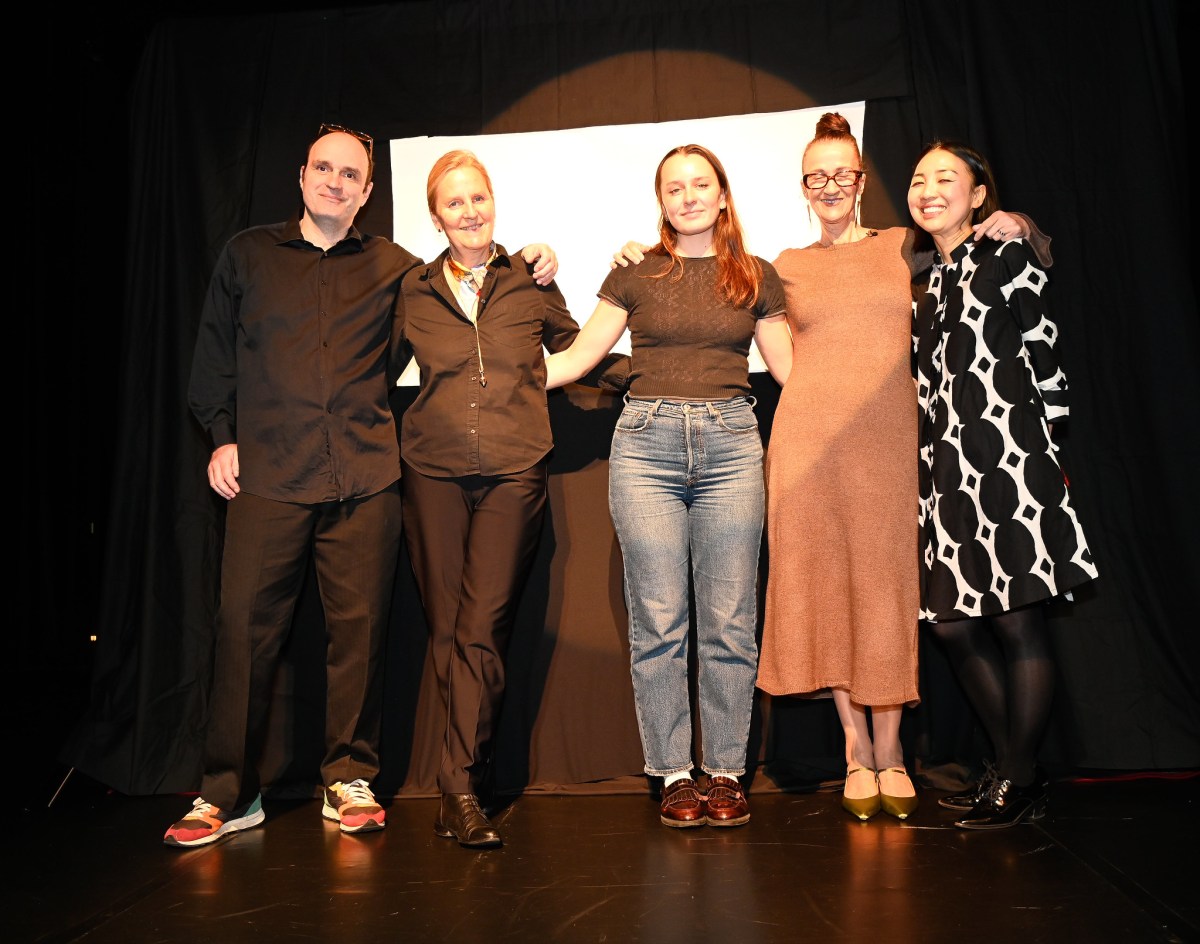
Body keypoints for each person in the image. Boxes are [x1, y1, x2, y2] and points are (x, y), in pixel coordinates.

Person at [165, 126, 558, 848]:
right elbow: (212, 353)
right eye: (325, 168)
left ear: (369, 192)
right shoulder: (248, 254)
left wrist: (529, 258)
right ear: (303, 174)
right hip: (269, 476)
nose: (336, 182)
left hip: (366, 476)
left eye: (352, 175)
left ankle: (349, 777)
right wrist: (221, 434)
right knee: (242, 633)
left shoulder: (399, 271)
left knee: (361, 635)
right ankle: (227, 791)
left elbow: (469, 299)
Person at [751, 113, 1055, 822]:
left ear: (861, 182)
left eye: (843, 174)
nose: (830, 186)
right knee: (828, 594)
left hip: (894, 448)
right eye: (815, 176)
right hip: (808, 449)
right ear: (804, 187)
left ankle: (893, 752)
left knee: (889, 593)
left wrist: (1018, 218)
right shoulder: (784, 264)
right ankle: (857, 751)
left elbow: (1006, 249)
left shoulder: (904, 245)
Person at [546, 144, 793, 829]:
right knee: (659, 622)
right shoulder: (636, 273)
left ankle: (725, 771)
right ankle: (674, 773)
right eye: (674, 188)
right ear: (662, 201)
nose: (687, 197)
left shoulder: (757, 276)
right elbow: (576, 359)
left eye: (700, 185)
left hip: (733, 448)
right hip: (646, 448)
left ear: (722, 196)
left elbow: (792, 374)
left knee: (731, 622)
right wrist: (487, 377)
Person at [392, 150, 626, 849]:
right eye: (455, 204)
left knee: (483, 627)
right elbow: (362, 370)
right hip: (430, 472)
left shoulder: (528, 279)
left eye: (479, 199)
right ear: (437, 217)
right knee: (445, 631)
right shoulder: (411, 290)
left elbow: (581, 350)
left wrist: (659, 371)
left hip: (511, 472)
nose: (470, 212)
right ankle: (461, 780)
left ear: (494, 203)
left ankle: (458, 788)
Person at [907, 140, 1098, 829]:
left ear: (979, 195)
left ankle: (1016, 779)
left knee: (1019, 619)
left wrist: (1050, 445)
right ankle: (1017, 764)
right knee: (954, 625)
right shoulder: (923, 277)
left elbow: (1042, 346)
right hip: (947, 472)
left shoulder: (1004, 251)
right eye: (920, 179)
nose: (930, 189)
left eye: (946, 178)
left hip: (1012, 457)